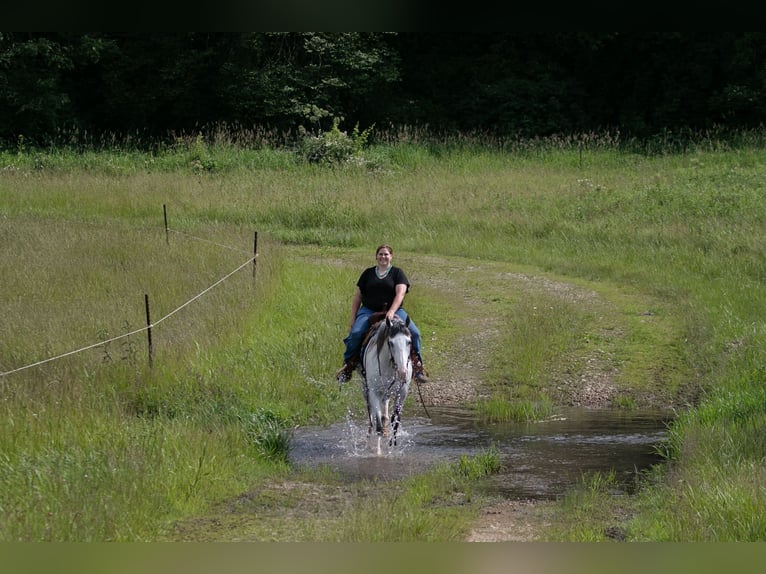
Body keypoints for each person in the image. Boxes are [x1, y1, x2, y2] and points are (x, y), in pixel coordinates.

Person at [336, 244, 429, 384]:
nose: (383, 257)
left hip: (394, 310)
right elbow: (357, 297)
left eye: (386, 254)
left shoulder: (398, 273)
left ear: (391, 256)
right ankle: (348, 366)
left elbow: (400, 293)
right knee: (355, 333)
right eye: (380, 254)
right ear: (376, 256)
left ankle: (417, 367)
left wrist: (392, 311)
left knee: (414, 333)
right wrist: (353, 319)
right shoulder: (367, 273)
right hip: (369, 310)